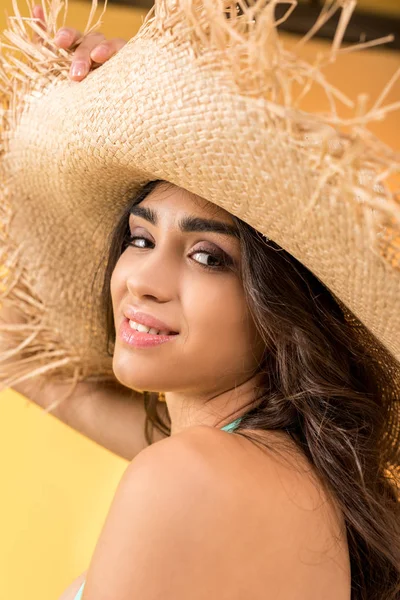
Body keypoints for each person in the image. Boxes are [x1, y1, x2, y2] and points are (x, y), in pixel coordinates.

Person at [0, 2, 399, 599]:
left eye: (208, 257)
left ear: (281, 308)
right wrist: (115, 99)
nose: (143, 280)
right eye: (140, 238)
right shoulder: (287, 473)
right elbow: (18, 355)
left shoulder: (186, 474)